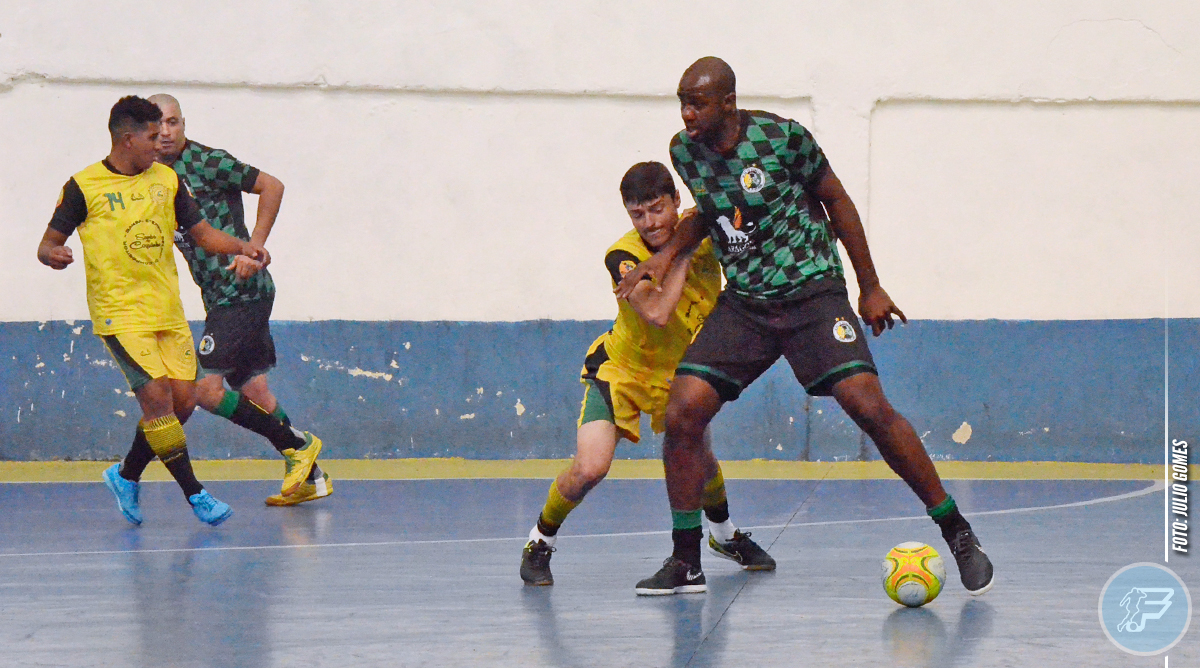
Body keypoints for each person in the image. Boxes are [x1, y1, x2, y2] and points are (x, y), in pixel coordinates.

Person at [617, 58, 994, 596]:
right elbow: (709, 209)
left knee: (868, 406)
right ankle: (686, 560)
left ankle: (955, 529)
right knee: (683, 412)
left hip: (813, 293)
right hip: (746, 304)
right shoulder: (685, 151)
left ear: (728, 103)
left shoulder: (783, 138)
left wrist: (870, 286)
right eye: (682, 102)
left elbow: (836, 199)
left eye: (697, 103)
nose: (687, 113)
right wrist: (667, 254)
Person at [521, 162, 775, 592]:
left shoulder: (704, 229)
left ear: (676, 200)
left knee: (699, 460)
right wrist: (682, 252)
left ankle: (724, 534)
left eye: (657, 209)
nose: (650, 223)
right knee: (590, 468)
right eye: (637, 214)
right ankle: (540, 540)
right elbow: (656, 312)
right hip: (622, 372)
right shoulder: (622, 257)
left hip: (682, 373)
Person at [37, 95, 268, 525]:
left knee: (184, 403)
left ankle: (126, 475)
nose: (160, 141)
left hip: (166, 310)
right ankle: (197, 495)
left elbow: (203, 234)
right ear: (127, 140)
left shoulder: (167, 179)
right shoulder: (83, 187)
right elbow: (47, 243)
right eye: (151, 136)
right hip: (120, 313)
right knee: (158, 400)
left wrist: (244, 246)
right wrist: (54, 254)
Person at [150, 94, 327, 506]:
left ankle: (299, 447)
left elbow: (272, 185)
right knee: (256, 394)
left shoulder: (207, 161)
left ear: (183, 124)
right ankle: (312, 478)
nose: (165, 133)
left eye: (173, 122)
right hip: (218, 296)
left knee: (205, 390)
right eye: (157, 126)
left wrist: (254, 247)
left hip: (241, 290)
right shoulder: (152, 179)